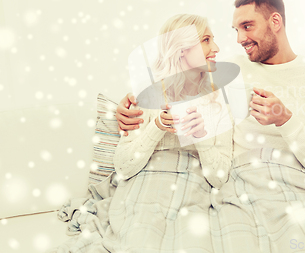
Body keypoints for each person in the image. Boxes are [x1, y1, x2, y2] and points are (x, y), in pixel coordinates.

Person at [116, 0, 305, 252]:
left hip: (298, 180)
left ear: (275, 22)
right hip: (242, 181)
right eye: (235, 30)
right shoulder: (230, 70)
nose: (239, 39)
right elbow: (181, 77)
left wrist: (286, 120)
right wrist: (131, 102)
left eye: (247, 27)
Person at [52, 14, 233, 253]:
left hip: (192, 188)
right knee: (139, 241)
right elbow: (124, 167)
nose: (216, 48)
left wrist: (201, 136)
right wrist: (157, 126)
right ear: (181, 51)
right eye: (207, 40)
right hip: (147, 184)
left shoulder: (219, 102)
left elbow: (220, 178)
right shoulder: (145, 98)